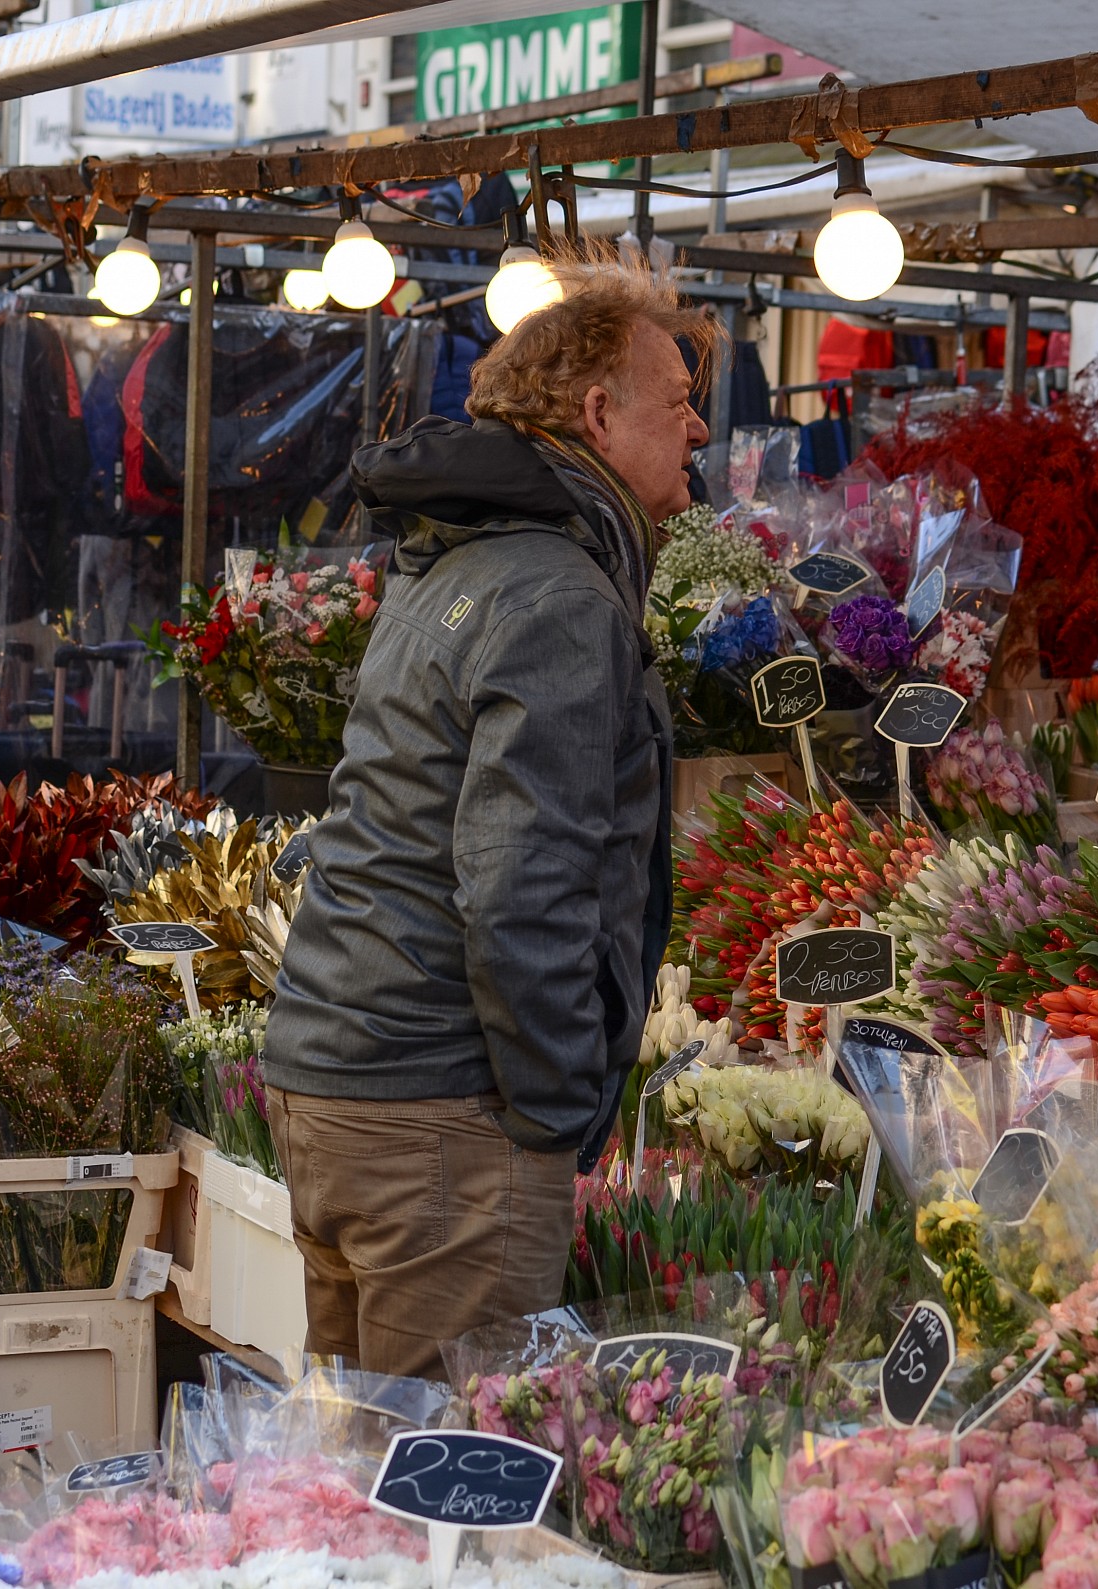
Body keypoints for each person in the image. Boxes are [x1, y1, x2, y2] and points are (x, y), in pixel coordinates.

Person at [262, 251, 717, 1377]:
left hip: (343, 1081)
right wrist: (557, 1112)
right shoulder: (559, 595)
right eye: (680, 402)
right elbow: (520, 888)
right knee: (450, 1509)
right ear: (600, 415)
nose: (701, 431)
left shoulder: (461, 559)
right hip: (441, 1120)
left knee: (360, 1479)